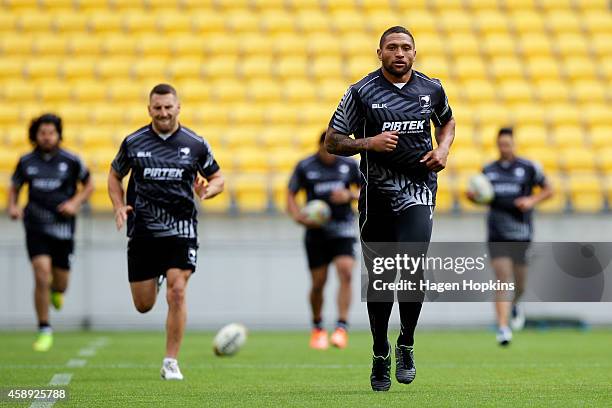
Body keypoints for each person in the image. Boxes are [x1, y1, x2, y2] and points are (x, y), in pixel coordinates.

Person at [325, 26, 455, 391]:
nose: (399, 53)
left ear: (415, 53)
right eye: (392, 47)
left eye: (406, 47)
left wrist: (443, 149)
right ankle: (380, 350)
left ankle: (406, 342)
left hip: (418, 191)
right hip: (376, 198)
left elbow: (446, 122)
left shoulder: (432, 88)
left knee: (412, 267)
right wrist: (370, 142)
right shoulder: (360, 91)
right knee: (381, 280)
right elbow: (333, 141)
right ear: (379, 52)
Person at [107, 84, 224, 380]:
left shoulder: (195, 144)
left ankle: (170, 361)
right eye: (157, 108)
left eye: (168, 107)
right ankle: (157, 278)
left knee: (178, 291)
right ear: (149, 109)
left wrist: (208, 191)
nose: (163, 113)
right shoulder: (133, 142)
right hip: (143, 231)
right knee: (144, 305)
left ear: (178, 107)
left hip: (181, 229)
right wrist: (119, 205)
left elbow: (218, 177)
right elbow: (114, 174)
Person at [8, 113, 94, 352]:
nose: (47, 137)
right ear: (35, 135)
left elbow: (89, 185)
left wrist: (75, 203)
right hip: (35, 225)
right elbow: (14, 186)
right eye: (42, 133)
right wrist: (13, 207)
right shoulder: (26, 161)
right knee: (40, 273)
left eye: (51, 133)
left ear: (58, 135)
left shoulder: (71, 160)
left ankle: (57, 291)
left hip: (63, 228)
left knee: (61, 283)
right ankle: (44, 328)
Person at [467, 127, 553, 346]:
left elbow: (548, 189)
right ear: (497, 145)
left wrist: (531, 201)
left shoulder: (528, 168)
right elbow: (482, 197)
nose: (505, 148)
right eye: (501, 144)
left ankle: (515, 304)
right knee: (502, 278)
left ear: (514, 144)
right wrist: (473, 198)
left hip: (521, 232)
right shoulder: (488, 170)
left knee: (520, 284)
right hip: (497, 232)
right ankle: (503, 328)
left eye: (508, 144)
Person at [287, 131, 360, 350]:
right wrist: (298, 216)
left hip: (343, 227)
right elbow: (291, 193)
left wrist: (349, 196)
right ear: (320, 146)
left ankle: (341, 328)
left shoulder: (349, 165)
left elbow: (367, 190)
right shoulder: (305, 166)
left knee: (346, 272)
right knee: (319, 283)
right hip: (317, 232)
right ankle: (318, 327)